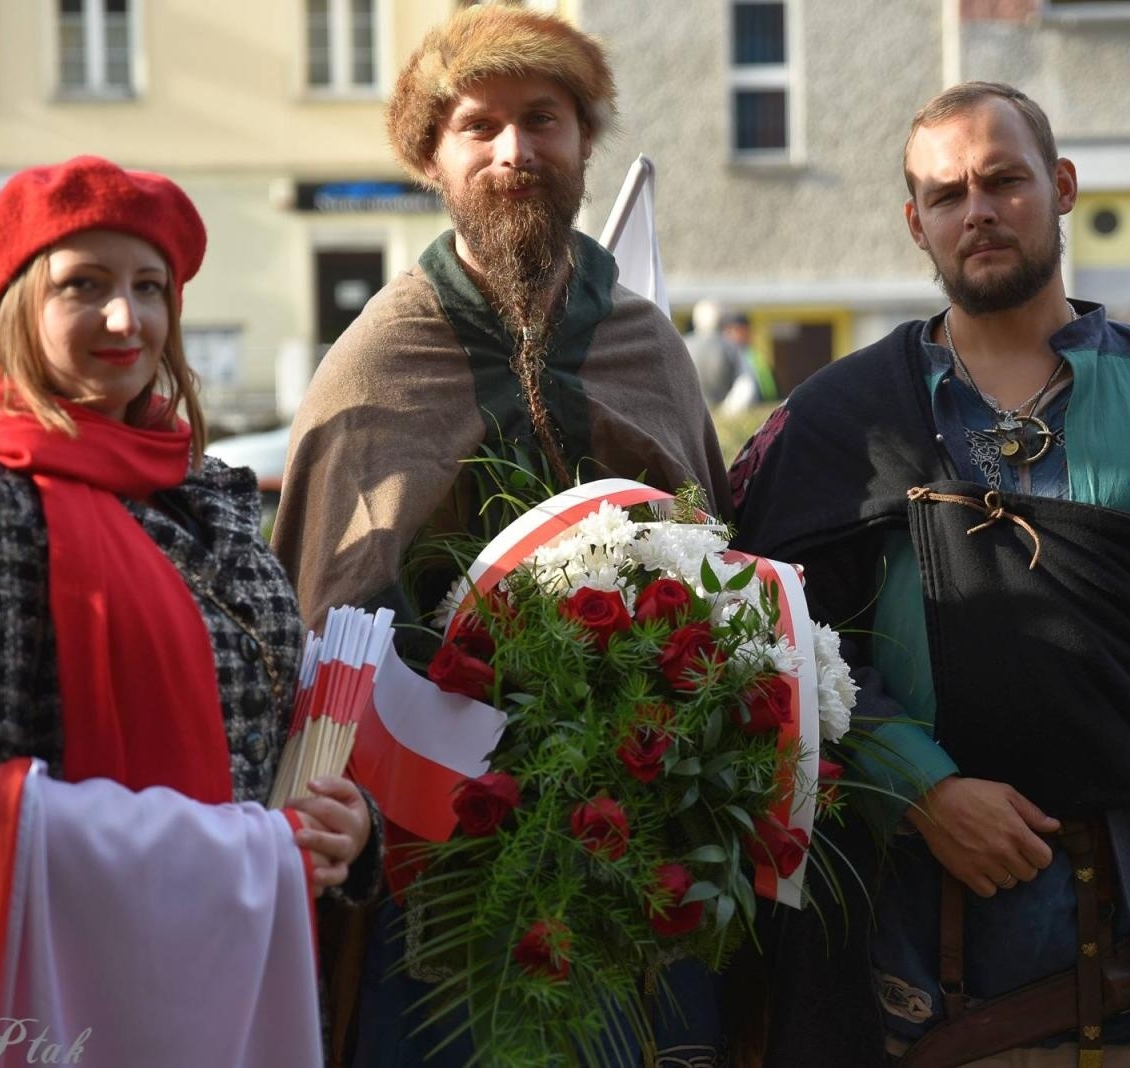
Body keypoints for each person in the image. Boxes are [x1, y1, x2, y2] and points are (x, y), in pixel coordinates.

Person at [728, 83, 1130, 1066]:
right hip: (911, 964)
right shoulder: (839, 417)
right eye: (946, 193)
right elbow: (777, 634)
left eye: (1003, 180)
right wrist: (917, 788)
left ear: (1061, 187)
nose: (978, 210)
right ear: (915, 223)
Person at [0, 156, 381, 1064]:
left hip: (227, 977)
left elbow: (266, 727)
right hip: (44, 994)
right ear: (16, 305)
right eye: (83, 285)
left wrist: (345, 828)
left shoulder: (207, 490)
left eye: (148, 287)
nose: (127, 318)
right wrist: (242, 857)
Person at [269, 7, 730, 1065]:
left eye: (543, 119)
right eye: (479, 126)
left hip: (642, 829)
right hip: (440, 859)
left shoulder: (644, 344)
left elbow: (717, 569)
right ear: (432, 157)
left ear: (584, 140)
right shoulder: (377, 358)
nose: (514, 151)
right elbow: (328, 621)